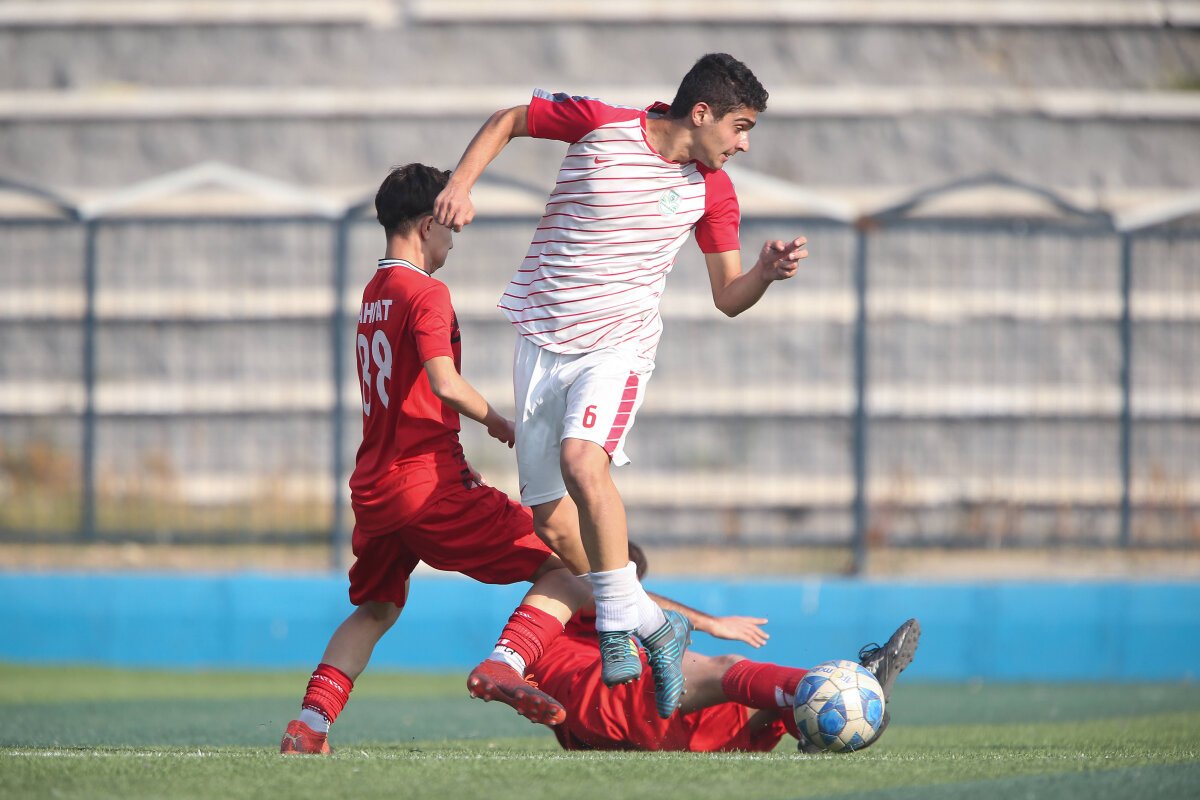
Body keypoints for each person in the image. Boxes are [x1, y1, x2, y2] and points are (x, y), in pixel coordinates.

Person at [434, 53, 808, 719]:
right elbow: (511, 118)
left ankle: (616, 626)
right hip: (540, 341)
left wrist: (763, 273)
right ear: (701, 114)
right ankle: (657, 627)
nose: (744, 144)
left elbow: (728, 296)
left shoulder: (713, 191)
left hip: (617, 350)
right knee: (552, 523)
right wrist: (461, 185)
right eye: (741, 127)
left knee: (584, 462)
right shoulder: (601, 125)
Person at [280, 163, 591, 755]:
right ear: (427, 225)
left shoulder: (374, 293)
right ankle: (506, 662)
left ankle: (309, 727)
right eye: (450, 229)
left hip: (375, 490)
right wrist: (500, 422)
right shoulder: (426, 291)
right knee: (563, 567)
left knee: (375, 609)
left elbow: (407, 396)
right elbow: (443, 383)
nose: (453, 241)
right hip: (427, 486)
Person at [528, 543, 922, 753]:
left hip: (633, 731)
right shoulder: (561, 597)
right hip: (602, 697)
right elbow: (604, 592)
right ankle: (849, 685)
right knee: (725, 667)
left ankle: (815, 731)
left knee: (761, 701)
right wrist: (710, 623)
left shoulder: (606, 632)